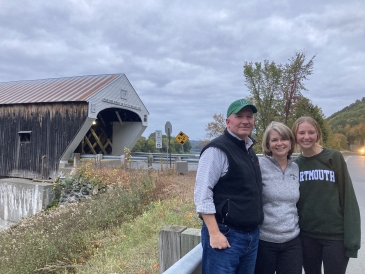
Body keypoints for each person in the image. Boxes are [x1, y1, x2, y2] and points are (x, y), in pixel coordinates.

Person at [194, 99, 263, 274]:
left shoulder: (249, 150)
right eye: (239, 116)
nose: (245, 120)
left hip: (251, 236)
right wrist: (215, 233)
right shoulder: (217, 150)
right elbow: (202, 194)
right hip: (226, 235)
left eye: (249, 116)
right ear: (228, 122)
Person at [291, 116, 361, 274]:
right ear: (295, 136)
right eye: (301, 133)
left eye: (311, 132)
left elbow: (348, 197)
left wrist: (352, 240)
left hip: (335, 236)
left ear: (318, 134)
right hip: (307, 236)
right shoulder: (295, 165)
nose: (306, 137)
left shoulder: (333, 157)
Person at [254, 122, 302, 274]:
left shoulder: (296, 167)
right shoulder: (259, 166)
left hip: (292, 241)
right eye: (274, 140)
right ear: (268, 144)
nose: (280, 143)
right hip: (264, 241)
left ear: (290, 142)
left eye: (284, 139)